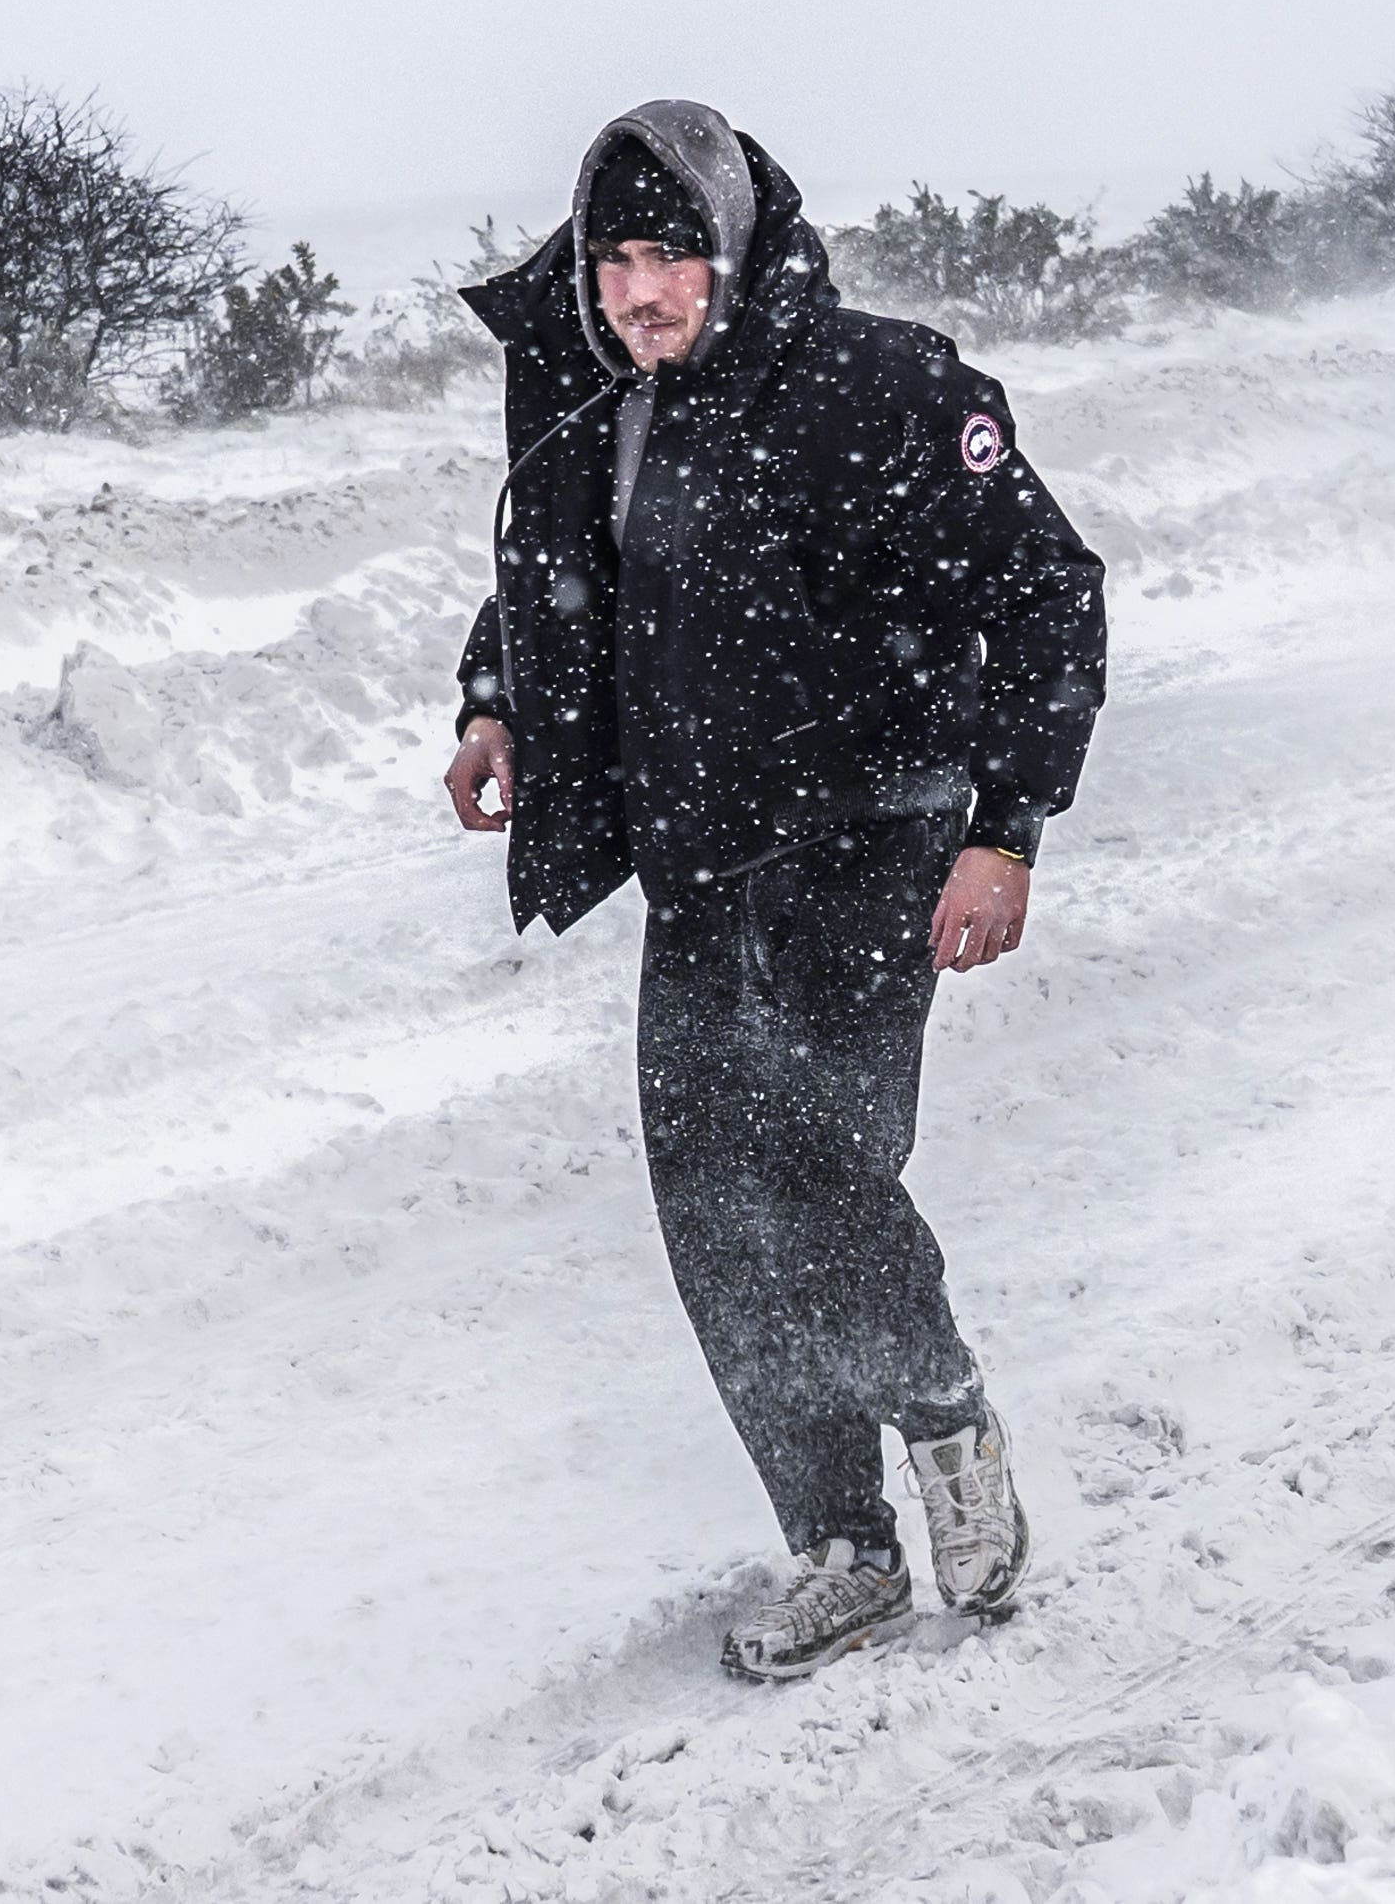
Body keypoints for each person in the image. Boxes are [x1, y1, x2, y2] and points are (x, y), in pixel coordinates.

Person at [440, 98, 1108, 1681]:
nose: (637, 294)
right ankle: (841, 1545)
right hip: (698, 859)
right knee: (714, 1218)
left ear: (735, 250)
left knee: (814, 1175)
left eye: (668, 257)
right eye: (612, 263)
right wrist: (496, 703)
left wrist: (1008, 830)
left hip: (871, 842)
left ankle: (944, 1423)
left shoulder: (884, 390)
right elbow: (559, 577)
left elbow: (1048, 596)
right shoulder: (607, 401)